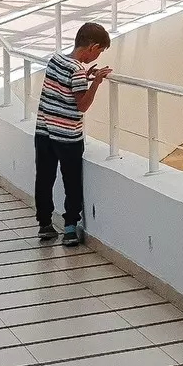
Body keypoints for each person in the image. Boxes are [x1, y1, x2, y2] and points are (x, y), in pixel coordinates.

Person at [35, 22, 112, 246]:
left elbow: (63, 86)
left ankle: (45, 225)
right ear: (92, 47)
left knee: (44, 178)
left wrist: (86, 75)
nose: (97, 55)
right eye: (99, 51)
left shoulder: (56, 60)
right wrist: (95, 82)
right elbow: (82, 105)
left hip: (44, 131)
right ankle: (70, 228)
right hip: (68, 136)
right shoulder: (77, 70)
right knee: (71, 182)